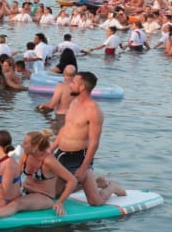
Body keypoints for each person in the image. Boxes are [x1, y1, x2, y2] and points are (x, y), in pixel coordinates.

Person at [52, 71, 121, 206]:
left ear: (82, 87)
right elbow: (65, 129)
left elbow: (94, 143)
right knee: (55, 194)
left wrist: (84, 168)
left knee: (96, 202)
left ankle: (112, 186)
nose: (70, 85)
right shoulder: (73, 103)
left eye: (73, 83)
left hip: (80, 157)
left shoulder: (94, 111)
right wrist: (51, 148)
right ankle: (96, 183)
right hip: (62, 154)